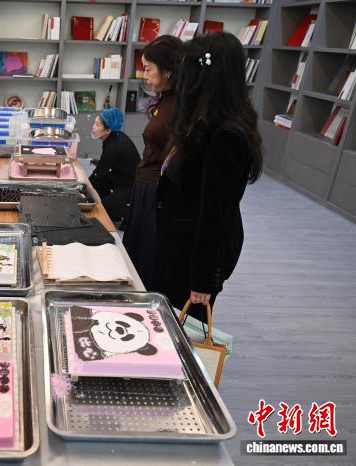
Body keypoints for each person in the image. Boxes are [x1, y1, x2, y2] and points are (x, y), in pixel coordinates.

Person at [155, 31, 263, 323]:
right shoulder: (202, 121)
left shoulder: (227, 136)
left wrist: (202, 280)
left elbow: (216, 214)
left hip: (195, 254)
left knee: (183, 325)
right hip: (180, 241)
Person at [123, 35, 183, 289]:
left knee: (146, 259)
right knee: (135, 256)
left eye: (148, 69)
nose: (144, 75)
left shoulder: (181, 106)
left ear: (168, 70)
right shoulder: (165, 100)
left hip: (156, 190)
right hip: (145, 185)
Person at [88, 107, 140, 223]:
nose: (93, 127)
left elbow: (98, 174)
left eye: (97, 125)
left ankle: (127, 213)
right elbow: (103, 170)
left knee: (101, 209)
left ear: (108, 130)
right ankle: (114, 214)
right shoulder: (114, 137)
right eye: (95, 123)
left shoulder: (113, 146)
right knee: (98, 185)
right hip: (119, 177)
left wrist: (82, 188)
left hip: (129, 186)